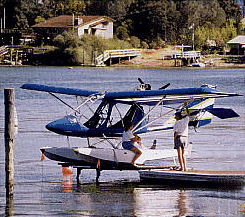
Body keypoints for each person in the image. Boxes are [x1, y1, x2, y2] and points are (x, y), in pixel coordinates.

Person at [173, 102, 190, 171]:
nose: (175, 117)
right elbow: (188, 114)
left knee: (179, 154)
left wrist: (174, 140)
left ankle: (182, 168)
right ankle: (185, 167)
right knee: (183, 154)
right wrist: (186, 106)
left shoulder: (177, 123)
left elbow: (175, 133)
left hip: (179, 137)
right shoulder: (185, 120)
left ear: (178, 117)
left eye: (175, 116)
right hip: (185, 137)